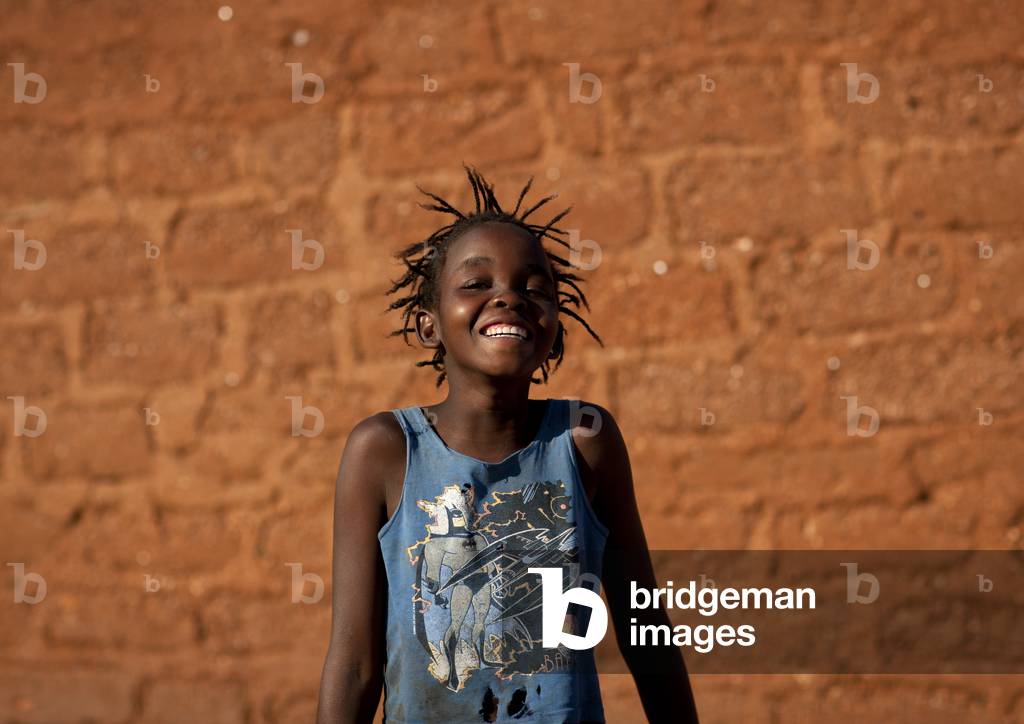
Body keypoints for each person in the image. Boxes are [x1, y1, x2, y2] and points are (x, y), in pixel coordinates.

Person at [316, 164, 700, 723]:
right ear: (429, 326)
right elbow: (355, 666)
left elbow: (646, 636)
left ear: (553, 328)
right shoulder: (385, 451)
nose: (509, 299)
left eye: (534, 289)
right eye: (477, 284)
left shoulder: (585, 441)